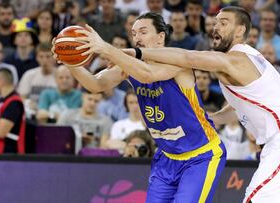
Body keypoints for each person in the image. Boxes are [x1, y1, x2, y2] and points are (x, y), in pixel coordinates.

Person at [88, 6, 280, 203]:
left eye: (223, 23)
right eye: (215, 22)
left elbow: (188, 58)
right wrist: (211, 118)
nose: (216, 27)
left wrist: (122, 51)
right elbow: (237, 107)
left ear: (240, 31)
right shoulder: (237, 63)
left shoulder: (236, 59)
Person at [55, 12, 226, 203]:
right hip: (167, 157)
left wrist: (106, 48)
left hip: (200, 155)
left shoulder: (177, 62)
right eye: (134, 33)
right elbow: (95, 84)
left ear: (161, 37)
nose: (137, 38)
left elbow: (146, 74)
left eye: (143, 32)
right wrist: (69, 61)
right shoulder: (130, 66)